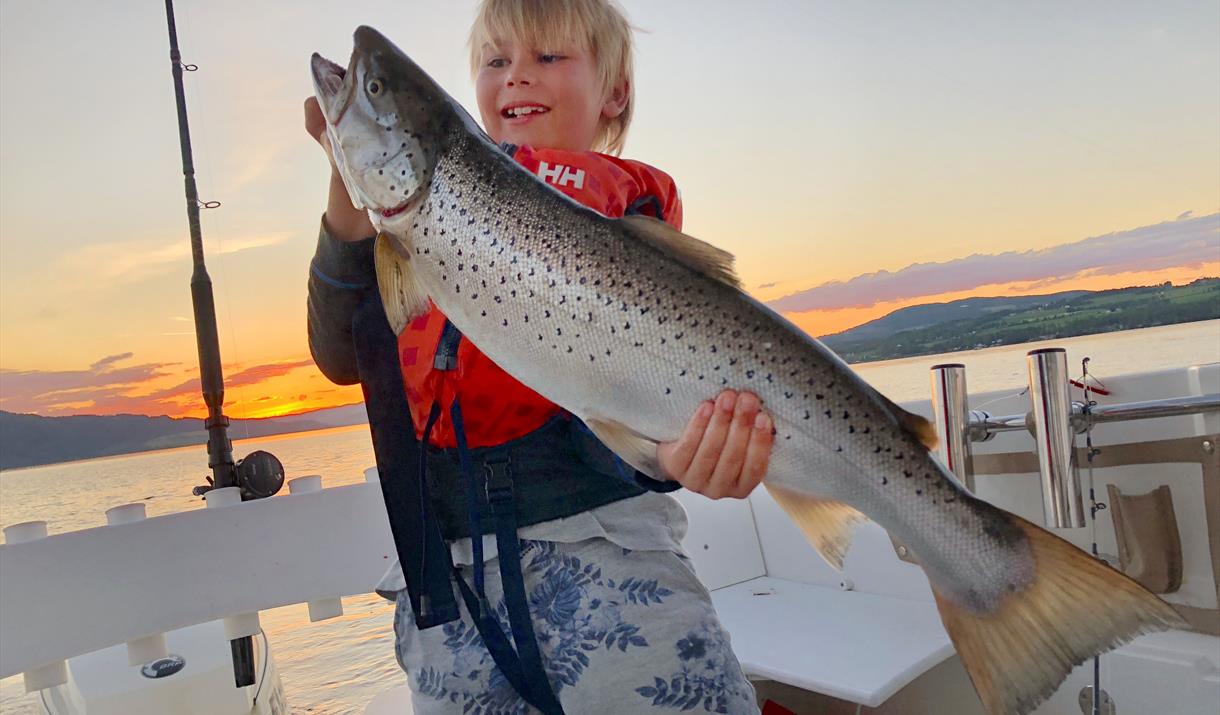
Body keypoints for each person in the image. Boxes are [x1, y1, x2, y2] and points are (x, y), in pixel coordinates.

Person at [304, 1, 773, 712]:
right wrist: (349, 190)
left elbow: (638, 383)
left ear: (613, 92)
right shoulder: (421, 220)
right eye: (495, 62)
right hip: (448, 579)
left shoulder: (622, 218)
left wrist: (667, 454)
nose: (516, 77)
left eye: (548, 58)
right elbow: (343, 355)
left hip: (608, 549)